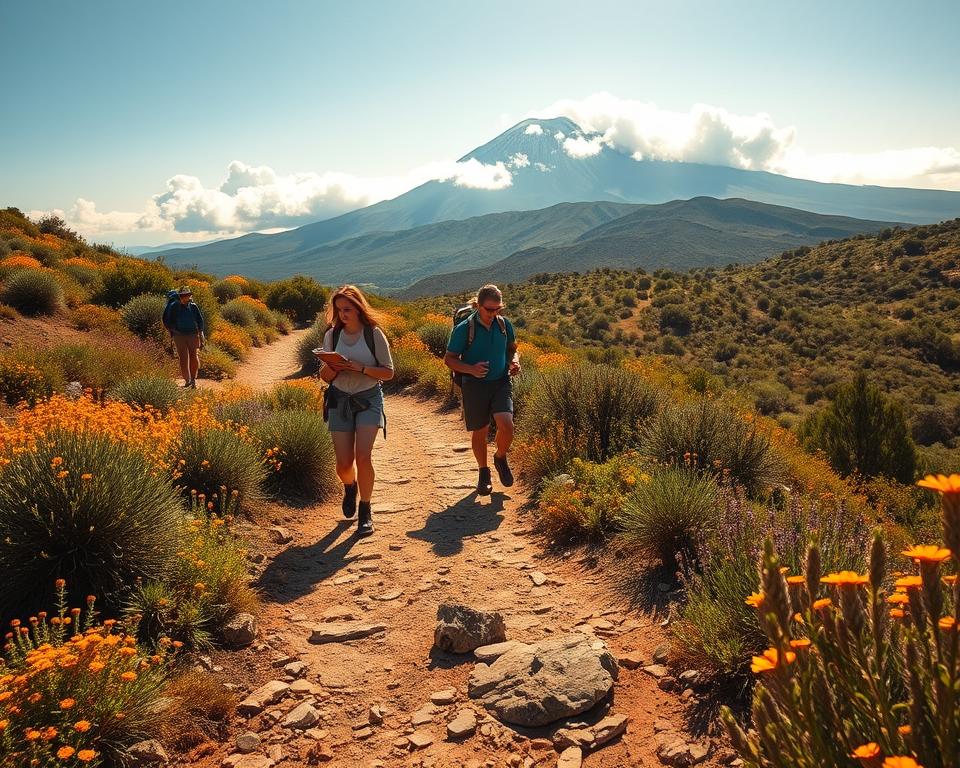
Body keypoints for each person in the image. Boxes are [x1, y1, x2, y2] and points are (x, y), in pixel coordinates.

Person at [318, 285, 394, 537]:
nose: (342, 315)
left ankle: (365, 510)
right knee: (343, 464)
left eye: (347, 309)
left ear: (359, 308)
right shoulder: (332, 335)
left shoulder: (374, 334)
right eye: (338, 310)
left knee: (363, 456)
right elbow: (324, 376)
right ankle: (350, 486)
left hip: (368, 399)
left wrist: (360, 368)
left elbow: (388, 372)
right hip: (340, 399)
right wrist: (336, 367)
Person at [444, 284, 521, 496]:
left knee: (507, 425)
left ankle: (500, 457)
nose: (494, 314)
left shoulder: (504, 325)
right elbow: (449, 359)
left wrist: (514, 361)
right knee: (481, 431)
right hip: (475, 385)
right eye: (489, 309)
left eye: (498, 309)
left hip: (500, 382)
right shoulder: (464, 329)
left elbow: (512, 349)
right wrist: (470, 369)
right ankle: (483, 472)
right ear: (478, 306)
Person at [163, 286, 205, 388]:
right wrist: (173, 331)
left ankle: (193, 379)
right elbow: (168, 321)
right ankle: (187, 380)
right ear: (180, 296)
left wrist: (201, 334)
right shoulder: (174, 306)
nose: (187, 297)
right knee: (183, 357)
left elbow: (200, 321)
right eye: (184, 295)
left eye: (188, 295)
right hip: (179, 335)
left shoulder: (193, 306)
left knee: (193, 356)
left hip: (192, 334)